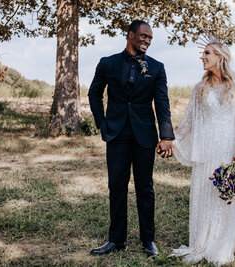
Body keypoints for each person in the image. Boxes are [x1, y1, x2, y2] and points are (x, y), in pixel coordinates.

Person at [171, 37, 235, 265]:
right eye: (203, 53)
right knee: (211, 194)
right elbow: (188, 123)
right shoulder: (200, 88)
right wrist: (171, 141)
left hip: (231, 149)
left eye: (207, 53)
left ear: (220, 56)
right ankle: (212, 241)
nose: (202, 57)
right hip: (208, 150)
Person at [88, 20, 174, 257]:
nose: (147, 40)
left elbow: (162, 102)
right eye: (143, 36)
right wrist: (102, 123)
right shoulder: (108, 63)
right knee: (116, 186)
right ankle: (116, 239)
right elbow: (94, 93)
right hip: (116, 134)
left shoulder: (156, 67)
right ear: (130, 35)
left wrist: (166, 135)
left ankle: (148, 240)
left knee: (145, 188)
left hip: (145, 134)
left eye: (150, 38)